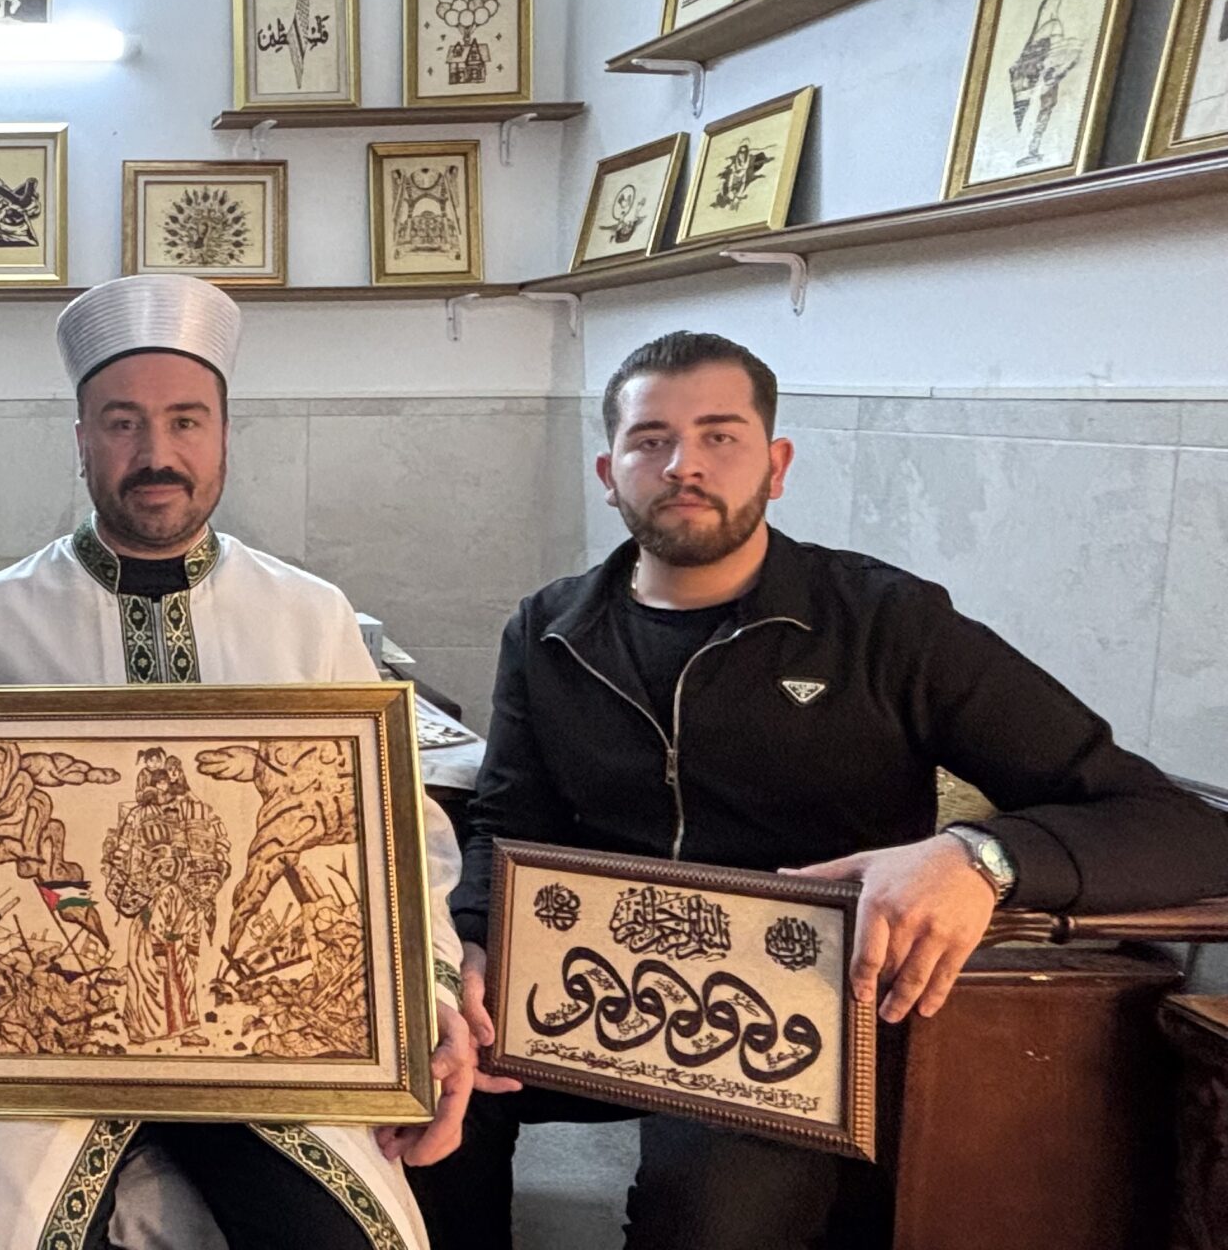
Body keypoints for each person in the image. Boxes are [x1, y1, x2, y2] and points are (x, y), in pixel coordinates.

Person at [412, 329, 1228, 1250]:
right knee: (416, 1093)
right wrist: (467, 946)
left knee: (708, 1219)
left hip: (794, 1023)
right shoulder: (549, 628)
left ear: (777, 464)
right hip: (584, 990)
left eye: (720, 436)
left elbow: (1180, 826)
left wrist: (980, 858)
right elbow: (508, 821)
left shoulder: (887, 624)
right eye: (651, 440)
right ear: (610, 472)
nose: (683, 465)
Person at [0, 274, 479, 1250]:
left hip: (272, 1052)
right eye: (121, 424)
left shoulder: (308, 615)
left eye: (186, 421)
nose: (156, 453)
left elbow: (403, 838)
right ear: (81, 440)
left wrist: (430, 996)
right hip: (49, 1053)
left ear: (224, 436)